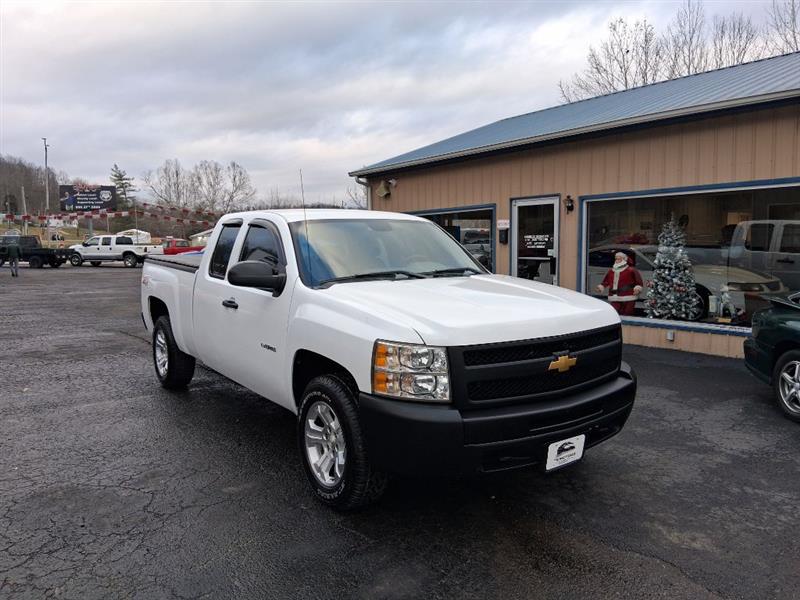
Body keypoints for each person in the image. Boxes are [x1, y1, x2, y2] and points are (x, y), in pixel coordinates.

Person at [595, 251, 643, 316]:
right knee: (614, 312)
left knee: (627, 312)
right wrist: (601, 287)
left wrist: (637, 289)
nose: (617, 260)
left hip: (628, 296)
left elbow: (638, 282)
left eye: (619, 259)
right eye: (616, 259)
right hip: (614, 296)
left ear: (624, 259)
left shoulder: (631, 270)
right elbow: (606, 281)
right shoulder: (611, 271)